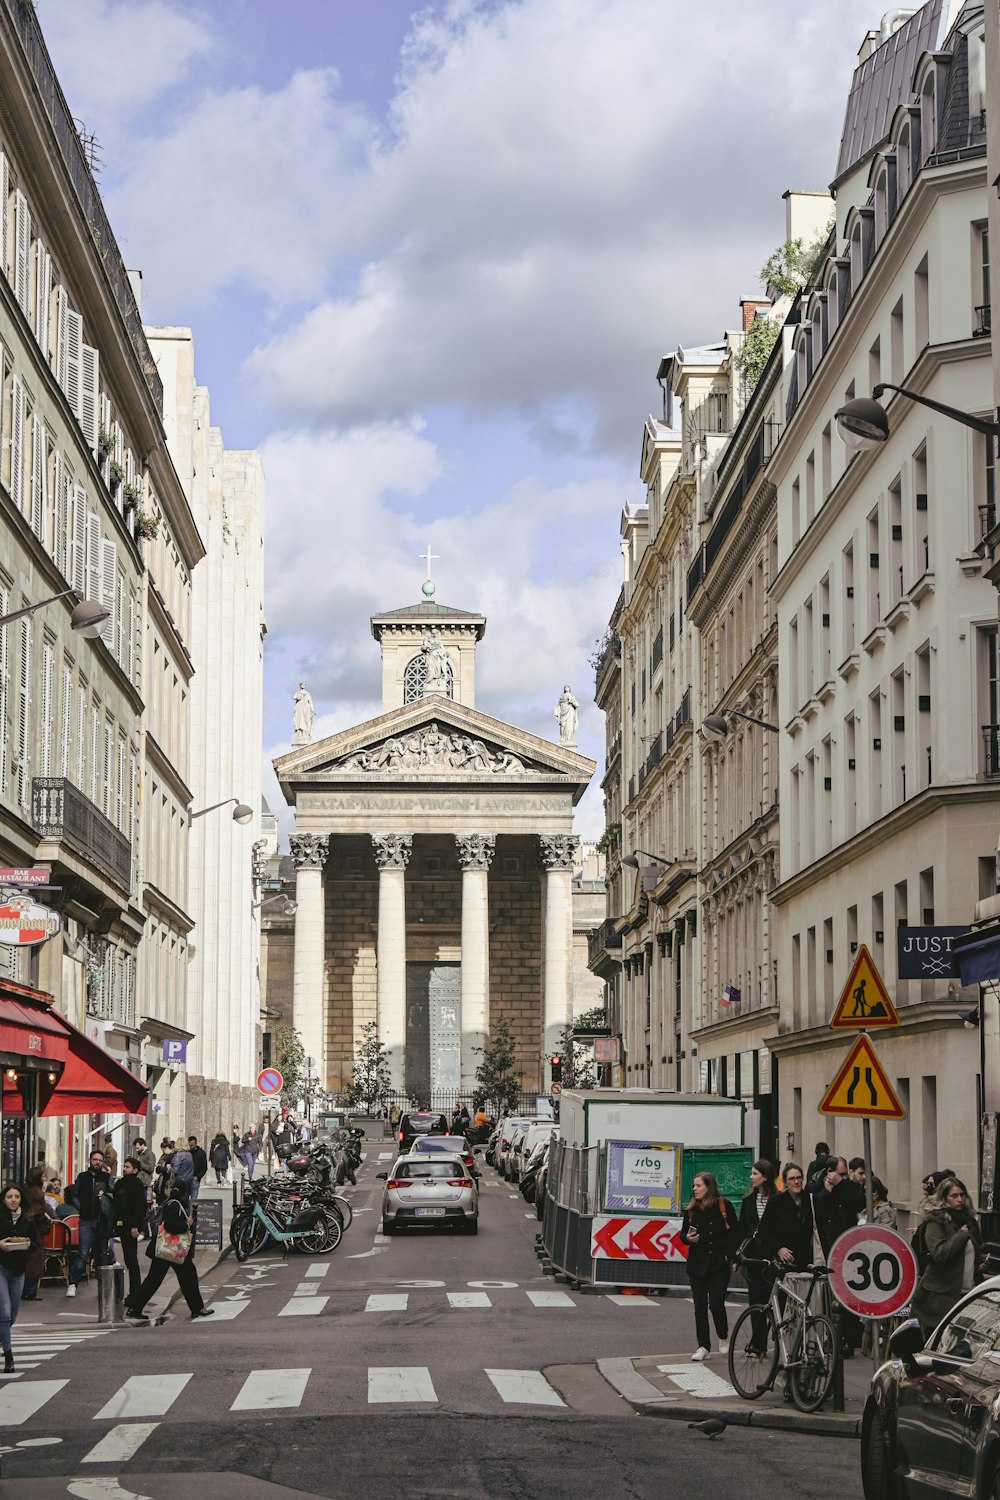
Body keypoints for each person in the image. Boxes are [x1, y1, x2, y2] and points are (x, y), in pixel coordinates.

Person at [125, 1184, 214, 1323]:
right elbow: (170, 1225)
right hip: (172, 1249)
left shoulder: (171, 1203)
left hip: (166, 1249)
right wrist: (187, 1224)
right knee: (187, 1278)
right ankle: (197, 1308)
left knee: (155, 1280)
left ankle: (135, 1308)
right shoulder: (175, 1205)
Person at [910, 1176, 984, 1338]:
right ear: (944, 1198)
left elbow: (974, 1251)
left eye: (962, 1195)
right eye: (954, 1196)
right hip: (941, 1297)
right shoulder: (936, 1221)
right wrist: (961, 1235)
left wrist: (979, 1262)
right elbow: (939, 1254)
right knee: (939, 1342)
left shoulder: (970, 1221)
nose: (960, 1199)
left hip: (968, 1293)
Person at [807, 1156, 866, 1356]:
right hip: (826, 1249)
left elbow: (859, 1203)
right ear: (829, 1172)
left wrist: (841, 1185)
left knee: (847, 1295)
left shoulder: (848, 1187)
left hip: (848, 1248)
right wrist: (828, 1189)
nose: (843, 1177)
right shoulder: (818, 1186)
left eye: (844, 1174)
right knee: (828, 1296)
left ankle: (848, 1339)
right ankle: (830, 1337)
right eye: (840, 1173)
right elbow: (816, 1207)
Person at [680, 1171, 739, 1362]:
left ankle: (723, 1336)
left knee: (715, 1304)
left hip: (718, 1265)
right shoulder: (691, 1210)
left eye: (699, 1186)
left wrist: (727, 1256)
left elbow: (735, 1233)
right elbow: (683, 1235)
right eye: (694, 1186)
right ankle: (703, 1346)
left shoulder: (724, 1206)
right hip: (697, 1264)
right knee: (699, 1307)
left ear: (709, 1187)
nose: (695, 1189)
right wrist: (688, 1239)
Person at [0, 1183, 42, 1372]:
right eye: (9, 1197)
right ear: (4, 1199)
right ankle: (9, 1356)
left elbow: (35, 1242)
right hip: (1, 1266)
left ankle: (3, 1337)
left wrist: (27, 1244)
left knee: (13, 1314)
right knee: (5, 1312)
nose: (13, 1200)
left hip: (19, 1270)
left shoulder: (27, 1218)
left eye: (16, 1197)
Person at [65, 1150, 115, 1297]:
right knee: (82, 1253)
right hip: (86, 1220)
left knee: (102, 1254)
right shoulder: (83, 1177)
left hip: (101, 1220)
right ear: (90, 1160)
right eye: (95, 1159)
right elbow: (74, 1194)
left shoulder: (106, 1178)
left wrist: (105, 1203)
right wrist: (81, 1207)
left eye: (100, 1160)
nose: (97, 1162)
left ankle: (104, 1287)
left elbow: (113, 1195)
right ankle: (73, 1283)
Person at [736, 1159, 777, 1331]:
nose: (751, 1177)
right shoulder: (748, 1199)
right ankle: (757, 1343)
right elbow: (742, 1229)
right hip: (753, 1257)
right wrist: (736, 1257)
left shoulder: (778, 1199)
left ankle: (774, 1334)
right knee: (755, 1300)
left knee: (772, 1301)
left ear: (765, 1177)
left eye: (755, 1173)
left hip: (772, 1255)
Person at [757, 1162, 814, 1272]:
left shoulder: (811, 1200)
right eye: (792, 1179)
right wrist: (778, 1248)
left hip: (807, 1260)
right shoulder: (776, 1202)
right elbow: (763, 1230)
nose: (796, 1182)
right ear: (785, 1182)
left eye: (799, 1178)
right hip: (785, 1262)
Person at [113, 1157, 148, 1309]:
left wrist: (135, 1225)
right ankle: (134, 1293)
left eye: (127, 1167)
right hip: (121, 1225)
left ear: (135, 1170)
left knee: (131, 1260)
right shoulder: (121, 1182)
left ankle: (136, 1293)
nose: (124, 1169)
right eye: (124, 1166)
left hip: (129, 1225)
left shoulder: (135, 1183)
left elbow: (139, 1206)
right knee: (129, 1260)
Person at [20, 1165, 49, 1302]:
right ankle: (30, 1291)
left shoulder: (26, 1191)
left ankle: (24, 1289)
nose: (45, 1178)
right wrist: (45, 1219)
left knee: (27, 1259)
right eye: (43, 1176)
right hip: (34, 1230)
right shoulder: (37, 1193)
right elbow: (36, 1212)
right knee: (35, 1260)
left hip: (25, 1228)